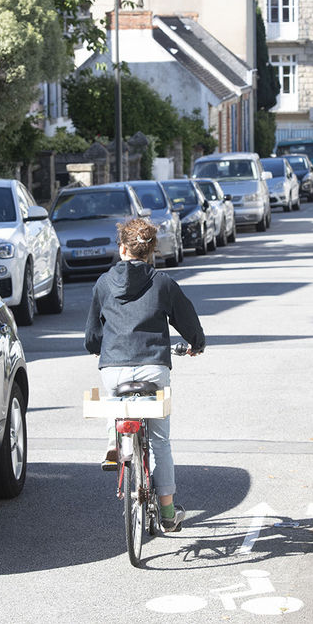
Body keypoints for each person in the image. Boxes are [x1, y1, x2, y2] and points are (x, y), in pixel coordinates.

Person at [84, 218, 205, 532]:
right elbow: (187, 319)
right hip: (153, 367)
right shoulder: (162, 283)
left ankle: (116, 440)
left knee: (116, 404)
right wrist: (196, 343)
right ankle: (167, 514)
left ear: (121, 248)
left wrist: (98, 347)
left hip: (114, 368)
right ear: (151, 252)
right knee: (160, 440)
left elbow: (92, 334)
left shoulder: (103, 283)